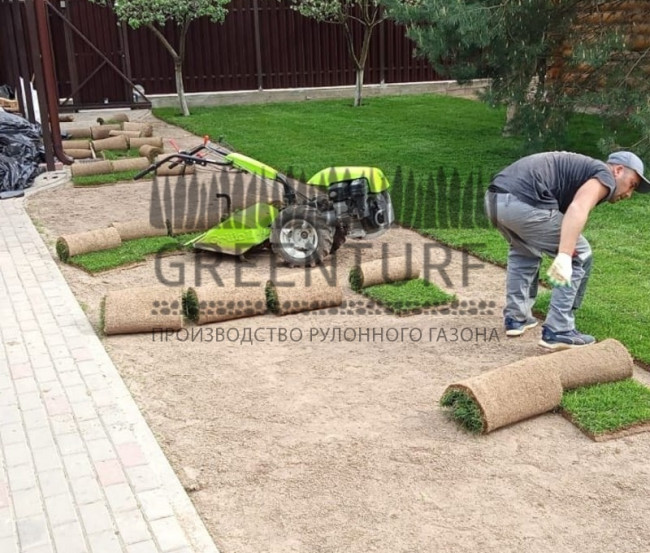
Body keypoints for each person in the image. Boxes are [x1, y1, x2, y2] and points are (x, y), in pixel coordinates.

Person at [484, 151, 650, 350]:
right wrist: (565, 254)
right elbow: (578, 208)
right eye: (632, 184)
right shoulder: (605, 176)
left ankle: (516, 318)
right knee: (580, 255)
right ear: (618, 170)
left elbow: (565, 212)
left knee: (524, 252)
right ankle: (559, 329)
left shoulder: (583, 170)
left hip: (494, 200)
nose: (629, 194)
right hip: (523, 202)